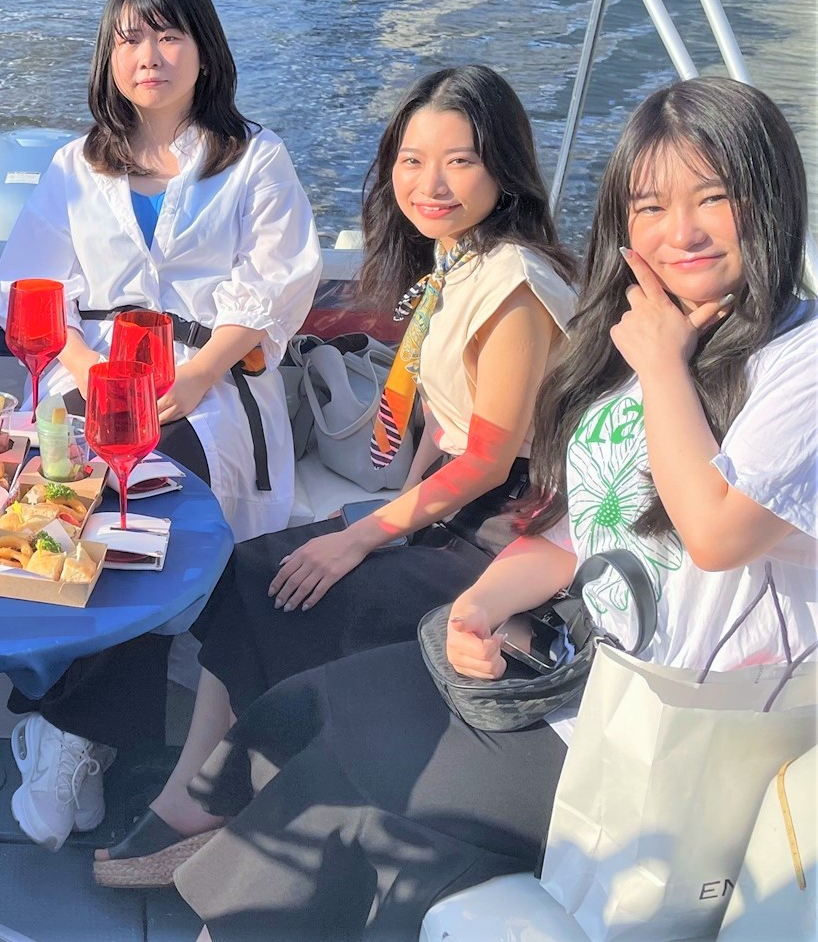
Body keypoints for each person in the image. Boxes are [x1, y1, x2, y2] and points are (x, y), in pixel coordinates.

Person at [173, 76, 816, 940]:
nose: (680, 232)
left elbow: (713, 533)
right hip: (573, 676)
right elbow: (580, 531)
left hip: (666, 740)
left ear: (769, 198)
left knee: (358, 797)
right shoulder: (660, 337)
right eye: (650, 206)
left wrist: (662, 366)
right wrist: (477, 606)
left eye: (712, 197)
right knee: (311, 708)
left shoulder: (790, 361)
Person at [94, 63, 577, 884]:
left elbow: (488, 457)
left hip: (508, 530)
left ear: (503, 167)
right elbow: (444, 423)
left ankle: (210, 807)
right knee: (252, 567)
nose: (429, 184)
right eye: (411, 160)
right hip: (456, 506)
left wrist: (362, 537)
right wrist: (385, 513)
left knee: (304, 587)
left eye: (459, 161)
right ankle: (202, 796)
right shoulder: (456, 262)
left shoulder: (515, 287)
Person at [0, 0, 324, 852]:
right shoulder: (74, 167)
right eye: (130, 38)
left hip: (207, 381)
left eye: (169, 35)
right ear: (108, 57)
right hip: (88, 371)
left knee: (141, 491)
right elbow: (28, 286)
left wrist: (202, 369)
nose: (149, 55)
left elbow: (279, 280)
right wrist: (89, 370)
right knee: (62, 491)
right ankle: (75, 730)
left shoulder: (254, 158)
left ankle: (66, 733)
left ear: (203, 50)